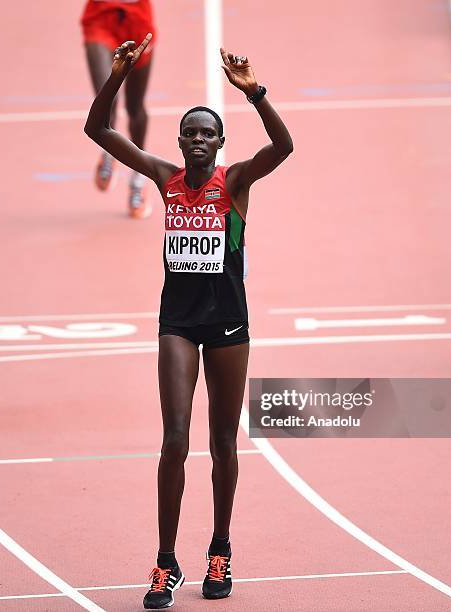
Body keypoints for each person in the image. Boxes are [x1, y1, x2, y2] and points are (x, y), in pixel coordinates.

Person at [84, 34, 293, 609]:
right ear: (179, 142)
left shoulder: (237, 182)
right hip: (177, 323)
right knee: (175, 439)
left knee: (222, 442)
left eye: (208, 133)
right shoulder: (164, 177)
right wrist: (119, 74)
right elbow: (97, 131)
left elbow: (285, 145)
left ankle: (220, 548)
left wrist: (255, 93)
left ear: (220, 144)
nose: (198, 140)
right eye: (190, 133)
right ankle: (165, 562)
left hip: (228, 325)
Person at [80, 0, 156, 218]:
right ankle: (109, 148)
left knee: (135, 107)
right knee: (107, 95)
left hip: (138, 20)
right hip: (100, 17)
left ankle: (138, 178)